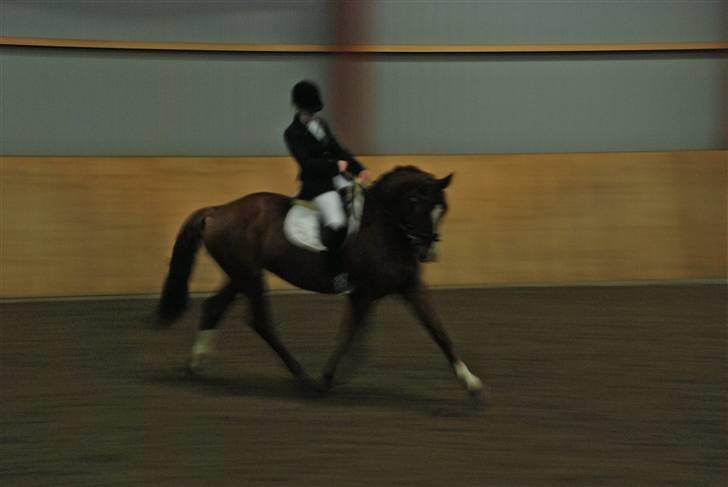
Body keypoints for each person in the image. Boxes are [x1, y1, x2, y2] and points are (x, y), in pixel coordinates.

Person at [284, 80, 371, 293]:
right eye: (309, 110)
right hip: (316, 185)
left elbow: (338, 149)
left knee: (365, 206)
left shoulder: (321, 124)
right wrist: (334, 165)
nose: (312, 114)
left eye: (313, 110)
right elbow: (306, 163)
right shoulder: (291, 133)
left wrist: (359, 168)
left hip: (337, 178)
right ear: (299, 107)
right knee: (337, 222)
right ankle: (336, 274)